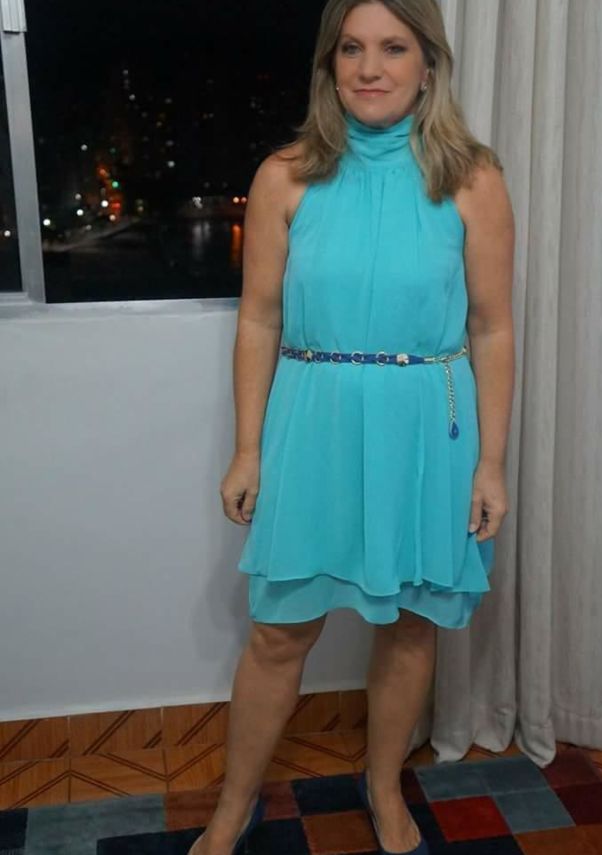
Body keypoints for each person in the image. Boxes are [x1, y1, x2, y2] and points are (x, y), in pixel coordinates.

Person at [190, 0, 514, 853]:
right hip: (314, 425)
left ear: (428, 64)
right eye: (352, 49)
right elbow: (259, 319)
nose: (371, 68)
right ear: (329, 67)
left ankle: (383, 785)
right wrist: (248, 448)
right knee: (278, 632)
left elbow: (491, 328)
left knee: (408, 625)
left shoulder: (473, 179)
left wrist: (491, 463)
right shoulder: (284, 176)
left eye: (394, 48)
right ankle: (232, 806)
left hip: (426, 431)